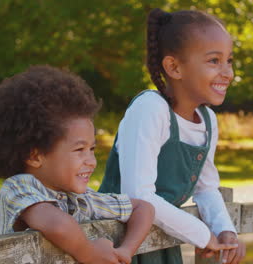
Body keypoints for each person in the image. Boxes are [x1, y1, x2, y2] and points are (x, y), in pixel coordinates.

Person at [99, 8, 245, 264]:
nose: (228, 72)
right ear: (174, 67)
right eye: (214, 61)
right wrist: (202, 234)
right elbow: (139, 196)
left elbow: (206, 188)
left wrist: (225, 230)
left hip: (162, 245)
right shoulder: (150, 109)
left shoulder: (208, 120)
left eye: (229, 61)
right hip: (117, 243)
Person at [0, 65, 155, 264]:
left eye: (92, 149)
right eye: (79, 150)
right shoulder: (18, 188)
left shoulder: (81, 198)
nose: (91, 161)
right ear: (35, 156)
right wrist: (91, 254)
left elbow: (143, 208)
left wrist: (125, 251)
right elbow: (57, 225)